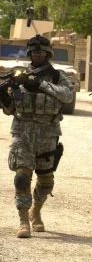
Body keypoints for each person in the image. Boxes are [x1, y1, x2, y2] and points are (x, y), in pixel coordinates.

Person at [0, 34, 74, 238]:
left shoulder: (58, 76)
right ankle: (24, 221)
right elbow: (11, 109)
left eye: (42, 51)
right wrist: (5, 99)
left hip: (48, 133)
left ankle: (36, 212)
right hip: (22, 131)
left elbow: (68, 96)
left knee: (46, 181)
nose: (38, 54)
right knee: (22, 178)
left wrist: (40, 85)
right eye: (34, 51)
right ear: (30, 53)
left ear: (48, 53)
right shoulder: (18, 76)